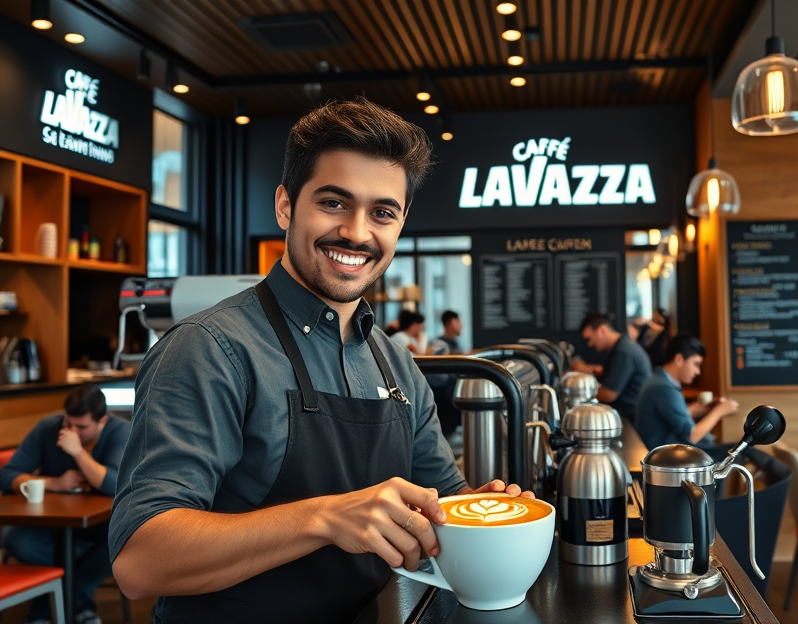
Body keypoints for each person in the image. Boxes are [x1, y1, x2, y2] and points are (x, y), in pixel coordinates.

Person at [109, 98, 529, 624]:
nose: (356, 232)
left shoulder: (397, 365)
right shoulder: (209, 348)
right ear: (286, 206)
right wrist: (325, 517)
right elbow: (140, 559)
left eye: (382, 212)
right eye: (333, 202)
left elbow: (442, 503)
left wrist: (481, 516)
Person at [0, 386, 129, 624]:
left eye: (81, 427)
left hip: (101, 527)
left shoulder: (120, 432)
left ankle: (46, 607)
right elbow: (7, 477)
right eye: (68, 424)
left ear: (102, 421)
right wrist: (54, 483)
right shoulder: (49, 428)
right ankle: (81, 603)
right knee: (14, 539)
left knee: (127, 539)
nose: (71, 431)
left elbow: (114, 484)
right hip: (52, 527)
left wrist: (77, 452)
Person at [635, 333, 739, 449]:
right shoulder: (664, 388)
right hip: (666, 458)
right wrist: (720, 411)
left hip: (666, 451)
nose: (698, 372)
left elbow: (665, 419)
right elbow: (691, 436)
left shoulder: (658, 380)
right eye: (696, 364)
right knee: (744, 451)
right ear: (679, 359)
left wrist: (694, 411)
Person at [570, 312, 652, 426]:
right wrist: (586, 370)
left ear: (602, 330)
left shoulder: (623, 351)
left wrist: (578, 392)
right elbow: (607, 374)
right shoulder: (622, 346)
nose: (590, 344)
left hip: (632, 421)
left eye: (589, 339)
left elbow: (609, 394)